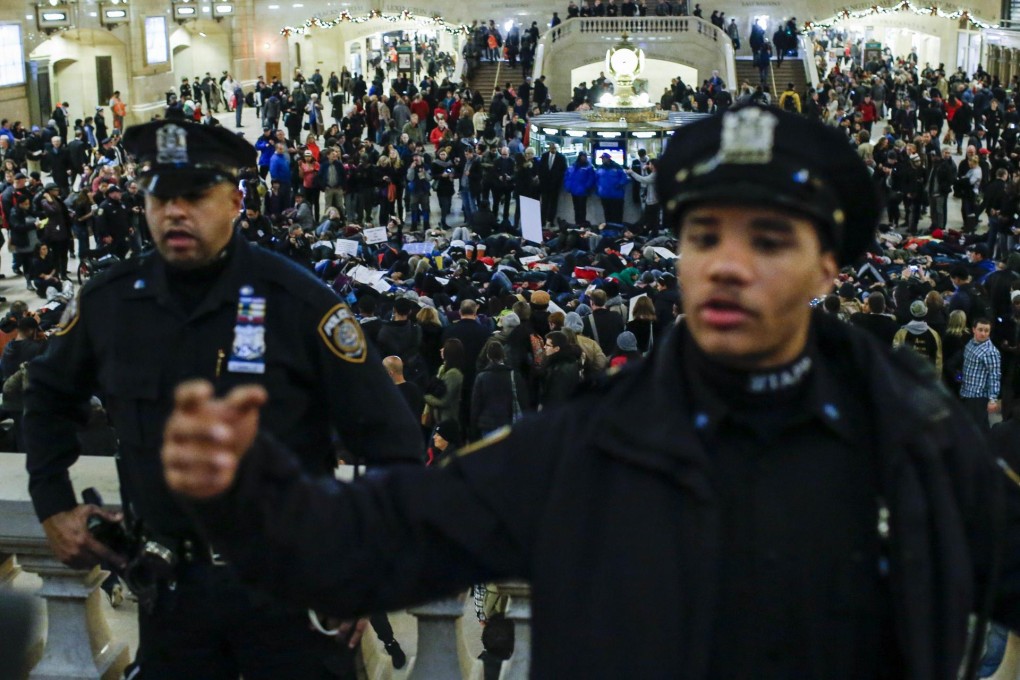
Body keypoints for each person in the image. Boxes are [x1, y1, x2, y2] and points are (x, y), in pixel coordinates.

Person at [163, 105, 1020, 678]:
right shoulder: (591, 441)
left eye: (768, 239)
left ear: (828, 266)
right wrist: (244, 493)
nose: (726, 263)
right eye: (703, 234)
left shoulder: (919, 441)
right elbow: (380, 541)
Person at [25, 119, 423, 679]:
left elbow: (394, 445)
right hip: (170, 595)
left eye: (194, 195)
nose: (175, 212)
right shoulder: (110, 304)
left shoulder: (299, 304)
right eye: (160, 197)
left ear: (235, 200)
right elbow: (46, 397)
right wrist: (52, 504)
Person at [960, 317, 1002, 431]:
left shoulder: (991, 352)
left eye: (986, 330)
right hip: (965, 392)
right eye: (980, 329)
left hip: (978, 397)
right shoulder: (970, 343)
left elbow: (995, 376)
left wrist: (992, 399)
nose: (983, 333)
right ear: (974, 329)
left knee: (975, 429)